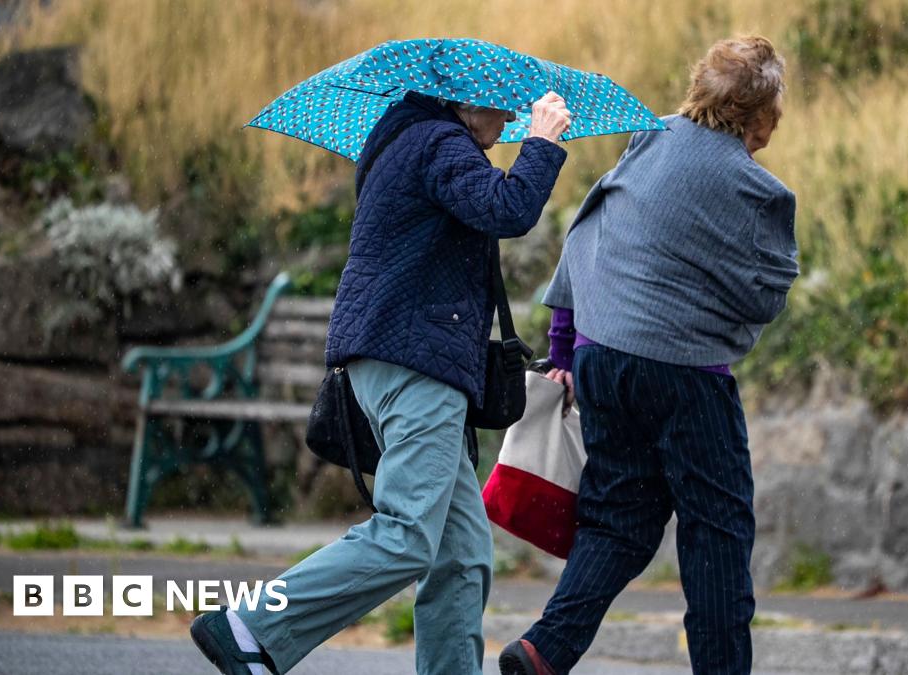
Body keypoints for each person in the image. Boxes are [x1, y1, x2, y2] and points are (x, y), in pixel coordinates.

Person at [189, 90, 572, 675]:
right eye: (501, 110)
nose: (508, 123)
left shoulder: (411, 139)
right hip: (417, 367)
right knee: (407, 535)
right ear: (467, 103)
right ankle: (252, 624)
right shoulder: (441, 142)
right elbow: (508, 210)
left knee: (461, 556)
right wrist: (542, 144)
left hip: (400, 359)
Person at [499, 36, 797, 675]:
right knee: (717, 537)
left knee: (618, 520)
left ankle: (543, 650)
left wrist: (566, 348)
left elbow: (589, 230)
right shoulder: (759, 190)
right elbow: (765, 295)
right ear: (761, 114)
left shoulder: (650, 136)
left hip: (603, 359)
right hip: (685, 376)